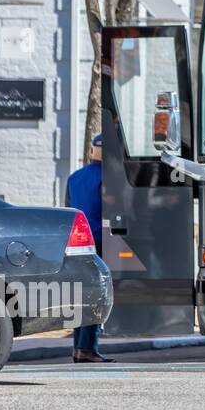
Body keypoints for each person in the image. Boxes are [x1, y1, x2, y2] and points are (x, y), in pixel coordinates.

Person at [66, 133, 113, 363]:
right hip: (99, 243)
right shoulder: (108, 178)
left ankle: (77, 347)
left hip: (76, 244)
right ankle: (88, 348)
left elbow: (68, 209)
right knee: (98, 296)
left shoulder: (74, 178)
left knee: (80, 296)